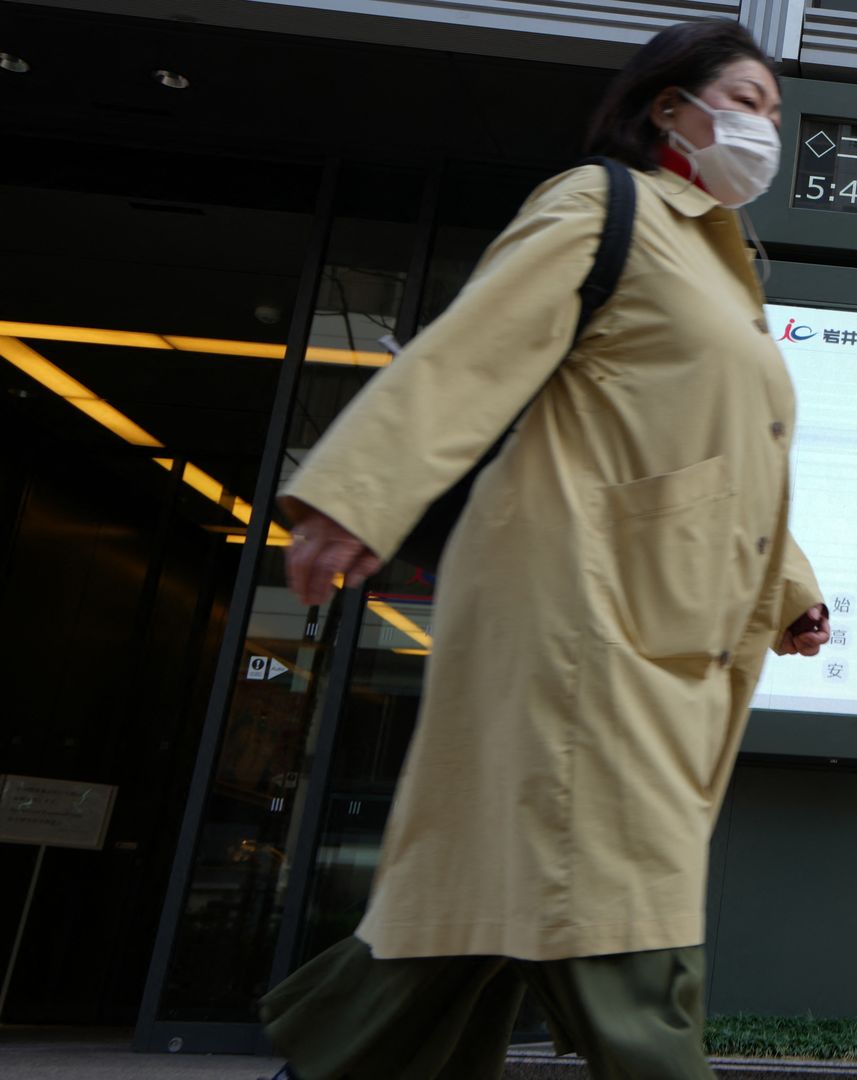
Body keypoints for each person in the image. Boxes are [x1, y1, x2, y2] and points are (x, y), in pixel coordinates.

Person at [258, 19, 828, 1079]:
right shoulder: (603, 206)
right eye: (746, 101)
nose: (766, 129)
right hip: (582, 613)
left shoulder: (721, 263)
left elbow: (717, 452)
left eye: (776, 114)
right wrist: (357, 496)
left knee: (482, 906)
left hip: (648, 619)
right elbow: (471, 353)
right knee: (622, 917)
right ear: (671, 107)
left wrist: (790, 586)